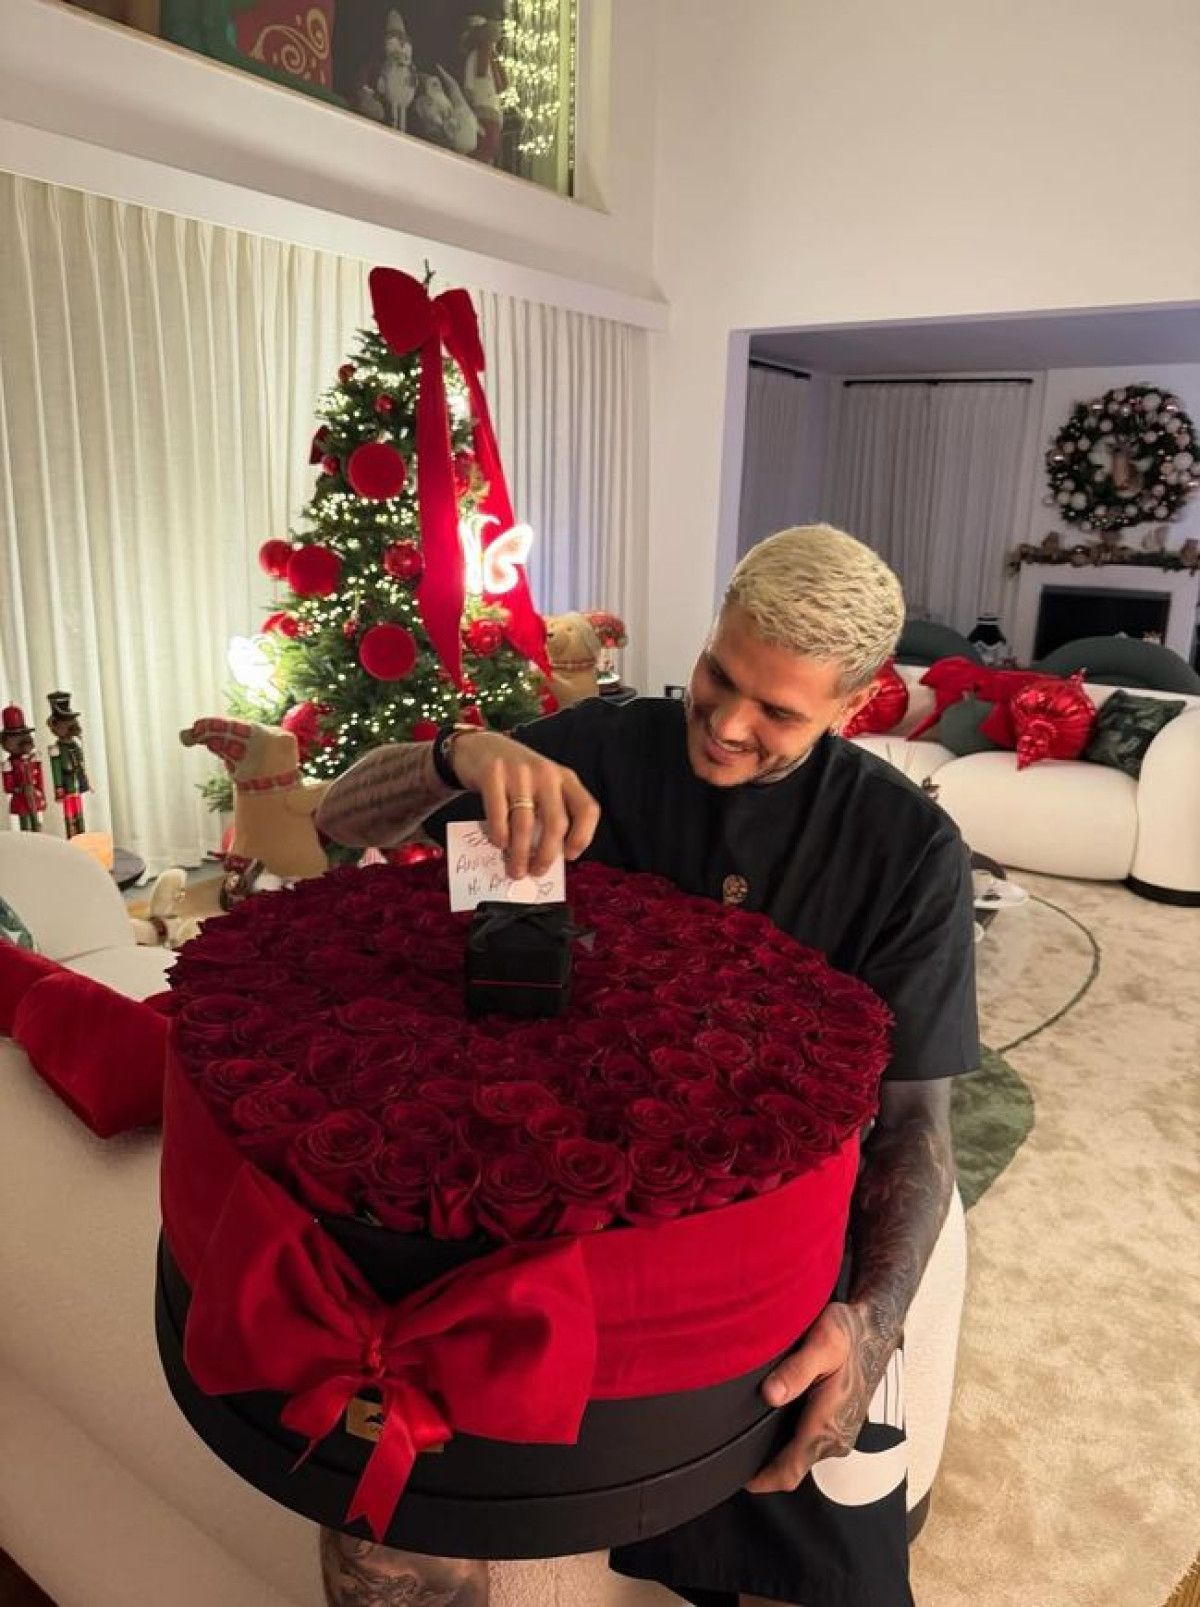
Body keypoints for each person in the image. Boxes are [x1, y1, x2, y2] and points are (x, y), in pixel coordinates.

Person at [314, 524, 979, 1607]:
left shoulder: (907, 850)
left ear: (855, 705)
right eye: (720, 673)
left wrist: (873, 1318)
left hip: (767, 1238)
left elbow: (915, 1126)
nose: (727, 723)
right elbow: (334, 823)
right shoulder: (596, 746)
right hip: (542, 1199)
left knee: (825, 1549)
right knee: (390, 1516)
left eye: (778, 711)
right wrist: (455, 754)